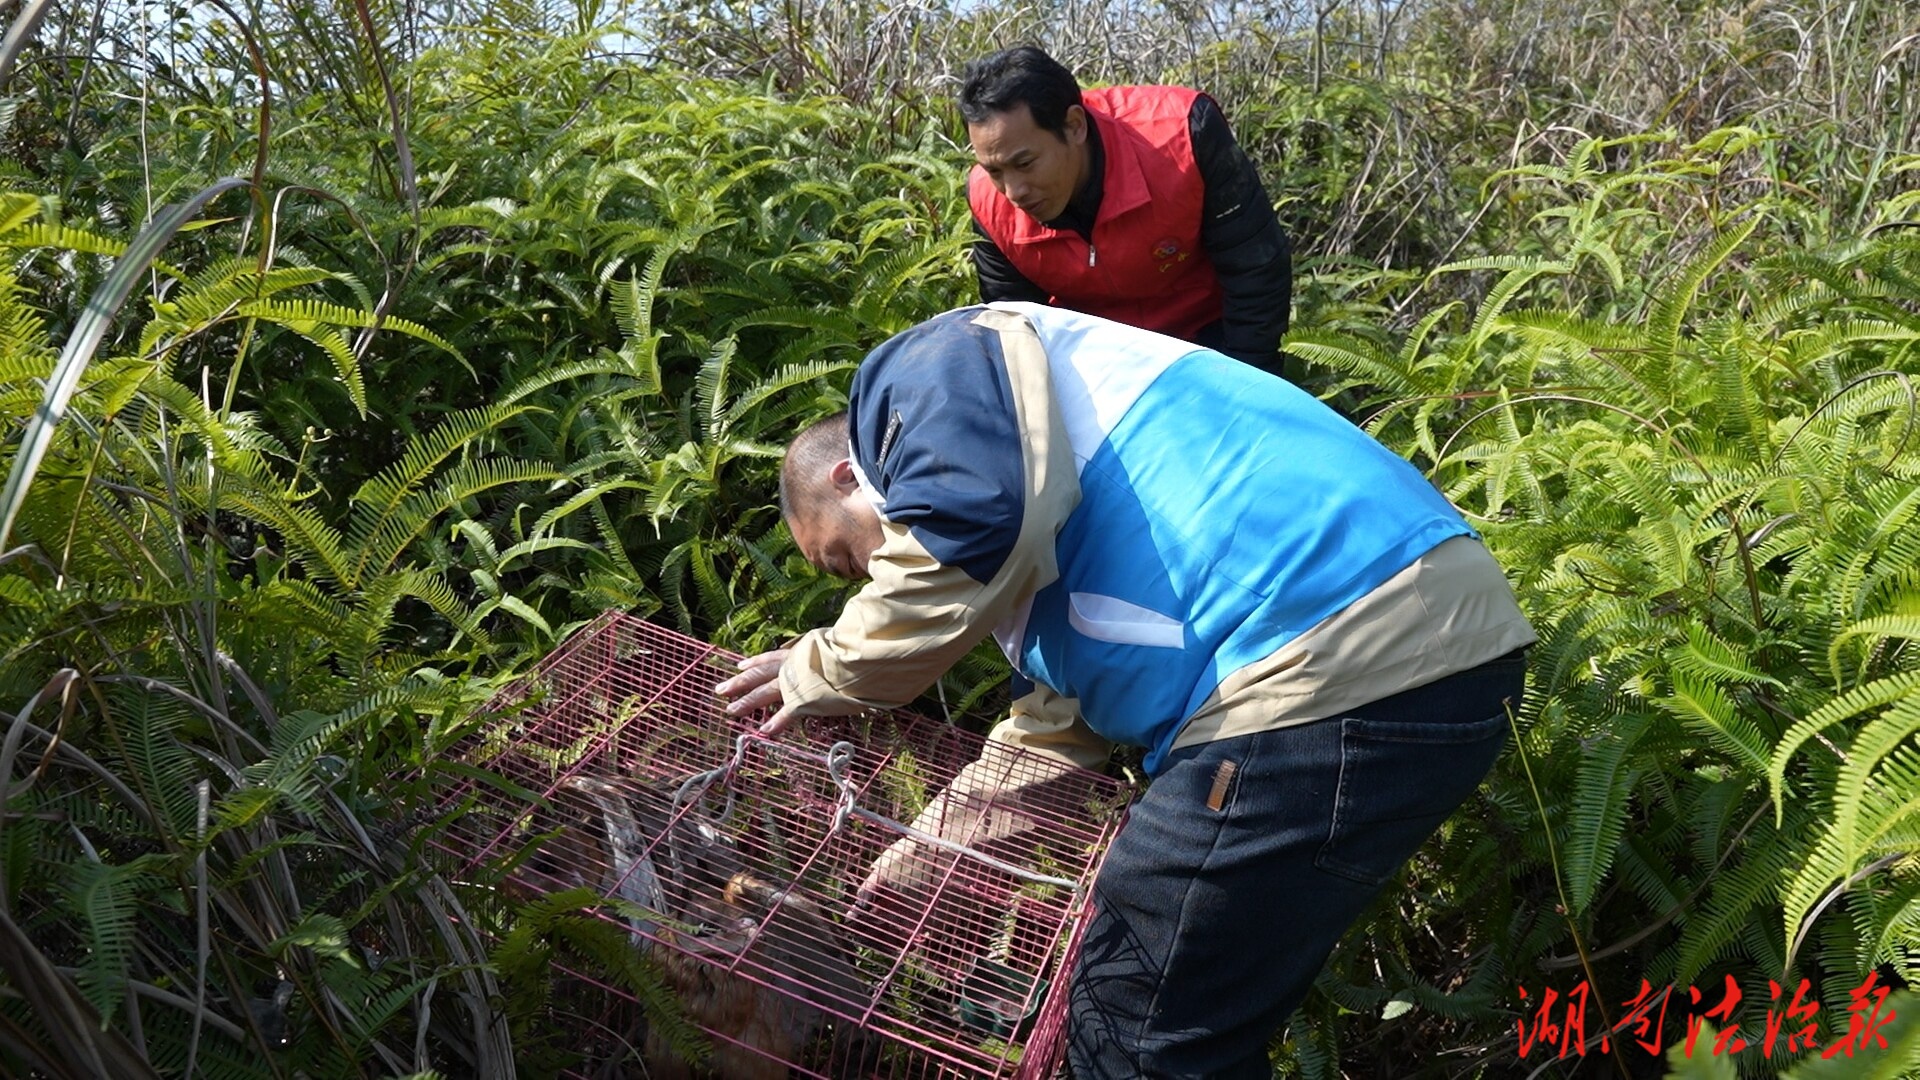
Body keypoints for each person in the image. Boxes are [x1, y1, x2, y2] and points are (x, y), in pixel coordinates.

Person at [714, 303, 1536, 1077]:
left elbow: (962, 541)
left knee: (1135, 1009)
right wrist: (905, 885)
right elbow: (1046, 743)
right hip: (1407, 660)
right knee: (1190, 1018)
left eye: (845, 561)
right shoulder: (1026, 548)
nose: (866, 581)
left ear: (854, 474)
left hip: (1332, 643)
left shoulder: (923, 376)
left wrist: (815, 669)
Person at [959, 46, 1294, 378]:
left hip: (1209, 341)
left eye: (1025, 163)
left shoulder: (1185, 136)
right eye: (995, 171)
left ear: (1075, 126)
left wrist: (1244, 389)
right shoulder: (988, 200)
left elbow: (1255, 272)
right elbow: (1016, 330)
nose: (1013, 192)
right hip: (1092, 361)